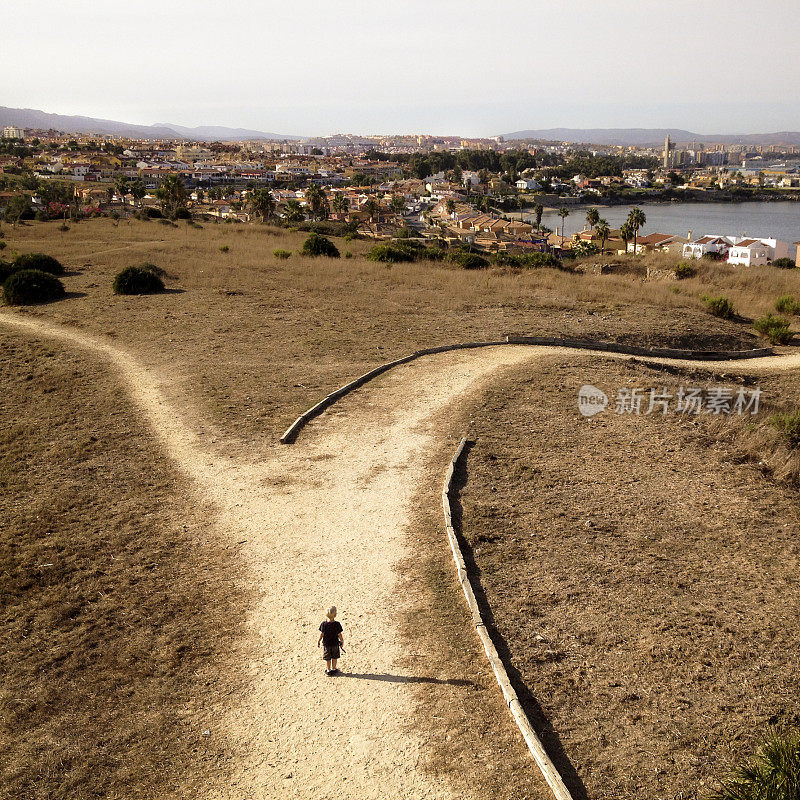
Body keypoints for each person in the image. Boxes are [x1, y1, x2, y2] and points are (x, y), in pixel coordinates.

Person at [318, 606, 344, 676]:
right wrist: (342, 641)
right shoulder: (337, 624)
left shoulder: (324, 624)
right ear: (335, 615)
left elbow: (322, 633)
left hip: (326, 644)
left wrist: (319, 640)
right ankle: (334, 668)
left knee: (328, 658)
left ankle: (328, 669)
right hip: (335, 644)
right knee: (334, 657)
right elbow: (339, 634)